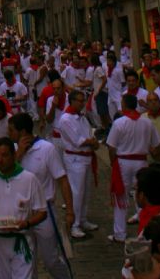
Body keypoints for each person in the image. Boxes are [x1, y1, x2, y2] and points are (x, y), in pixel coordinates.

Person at [9, 111, 75, 279]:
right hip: (21, 212)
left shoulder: (47, 149)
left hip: (45, 211)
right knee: (25, 260)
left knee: (50, 259)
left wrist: (69, 211)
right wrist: (18, 155)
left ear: (22, 132)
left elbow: (62, 180)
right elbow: (6, 176)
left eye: (12, 130)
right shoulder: (13, 150)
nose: (9, 134)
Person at [0, 137, 47, 279]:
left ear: (14, 155)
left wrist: (26, 223)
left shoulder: (29, 179)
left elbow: (42, 212)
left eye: (5, 155)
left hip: (22, 240)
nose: (0, 160)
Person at [107, 94, 160, 244]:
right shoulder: (147, 122)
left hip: (123, 162)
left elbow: (111, 146)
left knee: (120, 197)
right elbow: (155, 144)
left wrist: (113, 162)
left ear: (124, 105)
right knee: (142, 197)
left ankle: (120, 233)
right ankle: (145, 231)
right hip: (141, 162)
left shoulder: (119, 123)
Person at [57, 91, 99, 241]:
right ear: (72, 101)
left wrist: (92, 141)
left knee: (86, 191)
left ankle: (82, 218)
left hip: (86, 157)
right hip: (75, 159)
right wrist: (91, 142)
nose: (82, 104)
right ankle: (74, 224)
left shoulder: (82, 118)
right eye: (80, 101)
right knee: (76, 191)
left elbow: (89, 135)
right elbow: (78, 140)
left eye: (83, 101)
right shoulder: (66, 119)